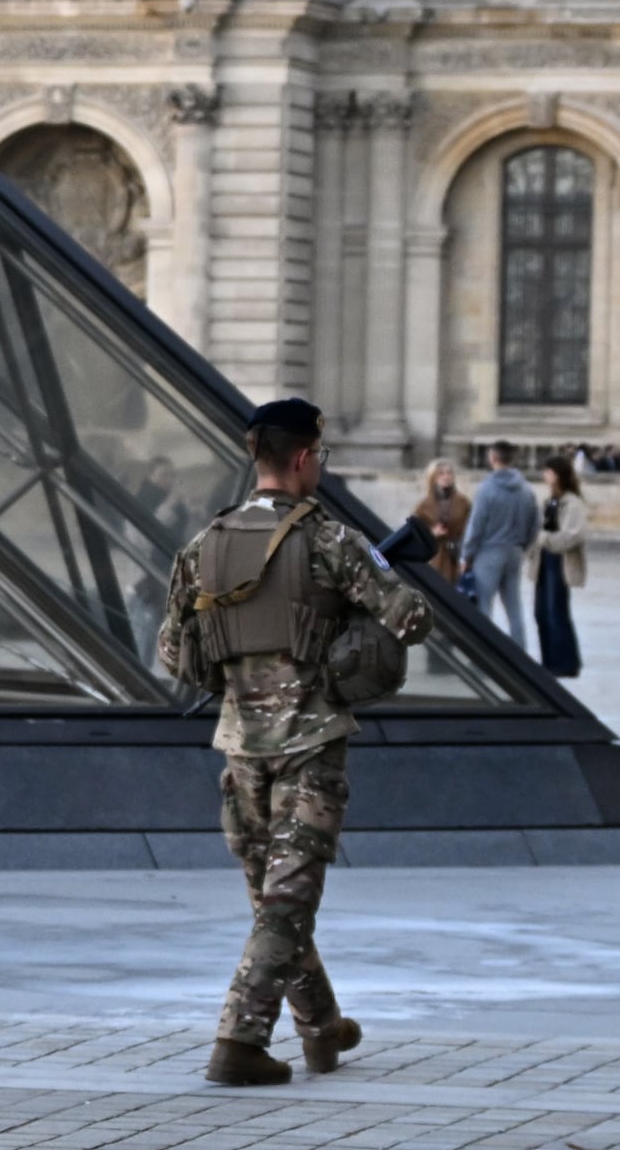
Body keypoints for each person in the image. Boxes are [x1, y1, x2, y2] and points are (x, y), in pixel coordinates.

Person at [158, 398, 437, 1087]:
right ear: (305, 458)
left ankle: (321, 1030)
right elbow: (412, 619)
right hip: (310, 745)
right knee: (287, 903)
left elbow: (173, 652)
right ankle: (239, 1041)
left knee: (276, 898)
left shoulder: (205, 546)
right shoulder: (329, 541)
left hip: (239, 748)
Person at [461, 440, 540, 651]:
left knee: (484, 607)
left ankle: (483, 652)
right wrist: (522, 546)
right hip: (514, 551)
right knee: (514, 607)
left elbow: (476, 526)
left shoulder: (487, 489)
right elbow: (535, 525)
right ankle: (519, 651)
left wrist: (466, 555)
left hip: (489, 552)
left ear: (493, 458)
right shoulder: (526, 489)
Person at [534, 453, 590, 679]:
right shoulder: (550, 501)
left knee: (557, 612)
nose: (545, 476)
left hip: (560, 561)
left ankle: (566, 663)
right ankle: (548, 660)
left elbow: (572, 535)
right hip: (543, 560)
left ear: (557, 475)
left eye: (548, 471)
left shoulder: (573, 503)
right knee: (541, 612)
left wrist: (544, 539)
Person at [410, 460, 470, 591]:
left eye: (449, 473)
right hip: (435, 558)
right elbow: (414, 534)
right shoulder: (423, 506)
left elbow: (471, 529)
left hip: (457, 556)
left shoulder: (464, 503)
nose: (446, 476)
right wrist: (432, 533)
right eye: (441, 473)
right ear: (433, 478)